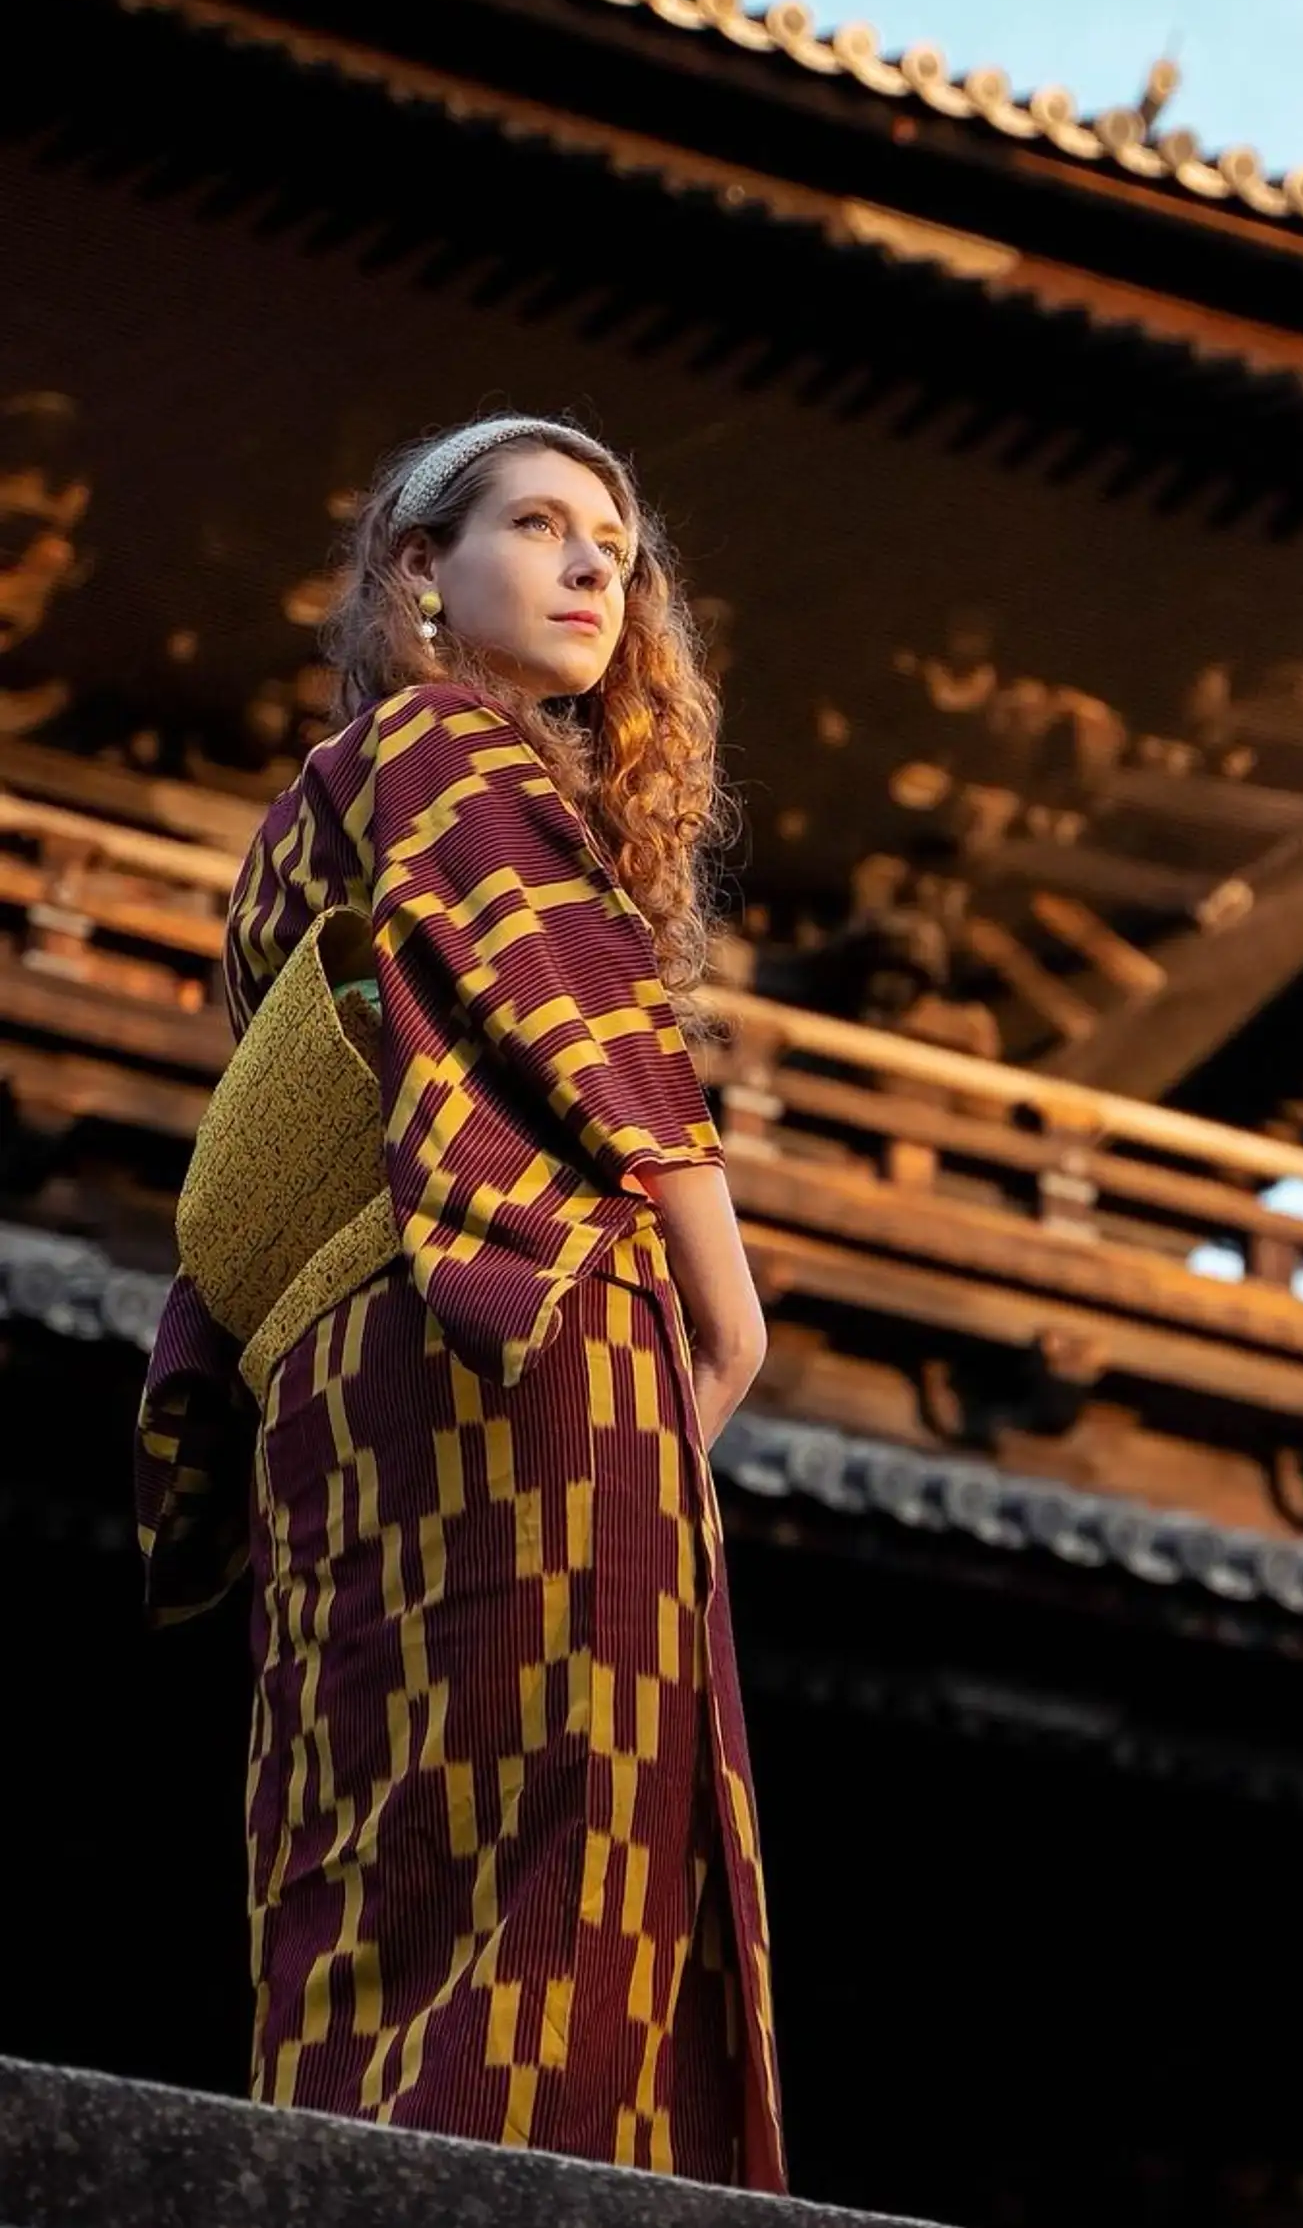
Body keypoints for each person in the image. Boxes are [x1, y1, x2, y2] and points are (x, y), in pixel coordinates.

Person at [133, 413, 785, 2190]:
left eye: (617, 549)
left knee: (374, 1815)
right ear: (423, 572)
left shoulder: (304, 818)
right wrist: (726, 1312)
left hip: (339, 1376)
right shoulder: (451, 752)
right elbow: (592, 1019)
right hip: (526, 1327)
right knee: (584, 1810)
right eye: (542, 525)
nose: (596, 570)